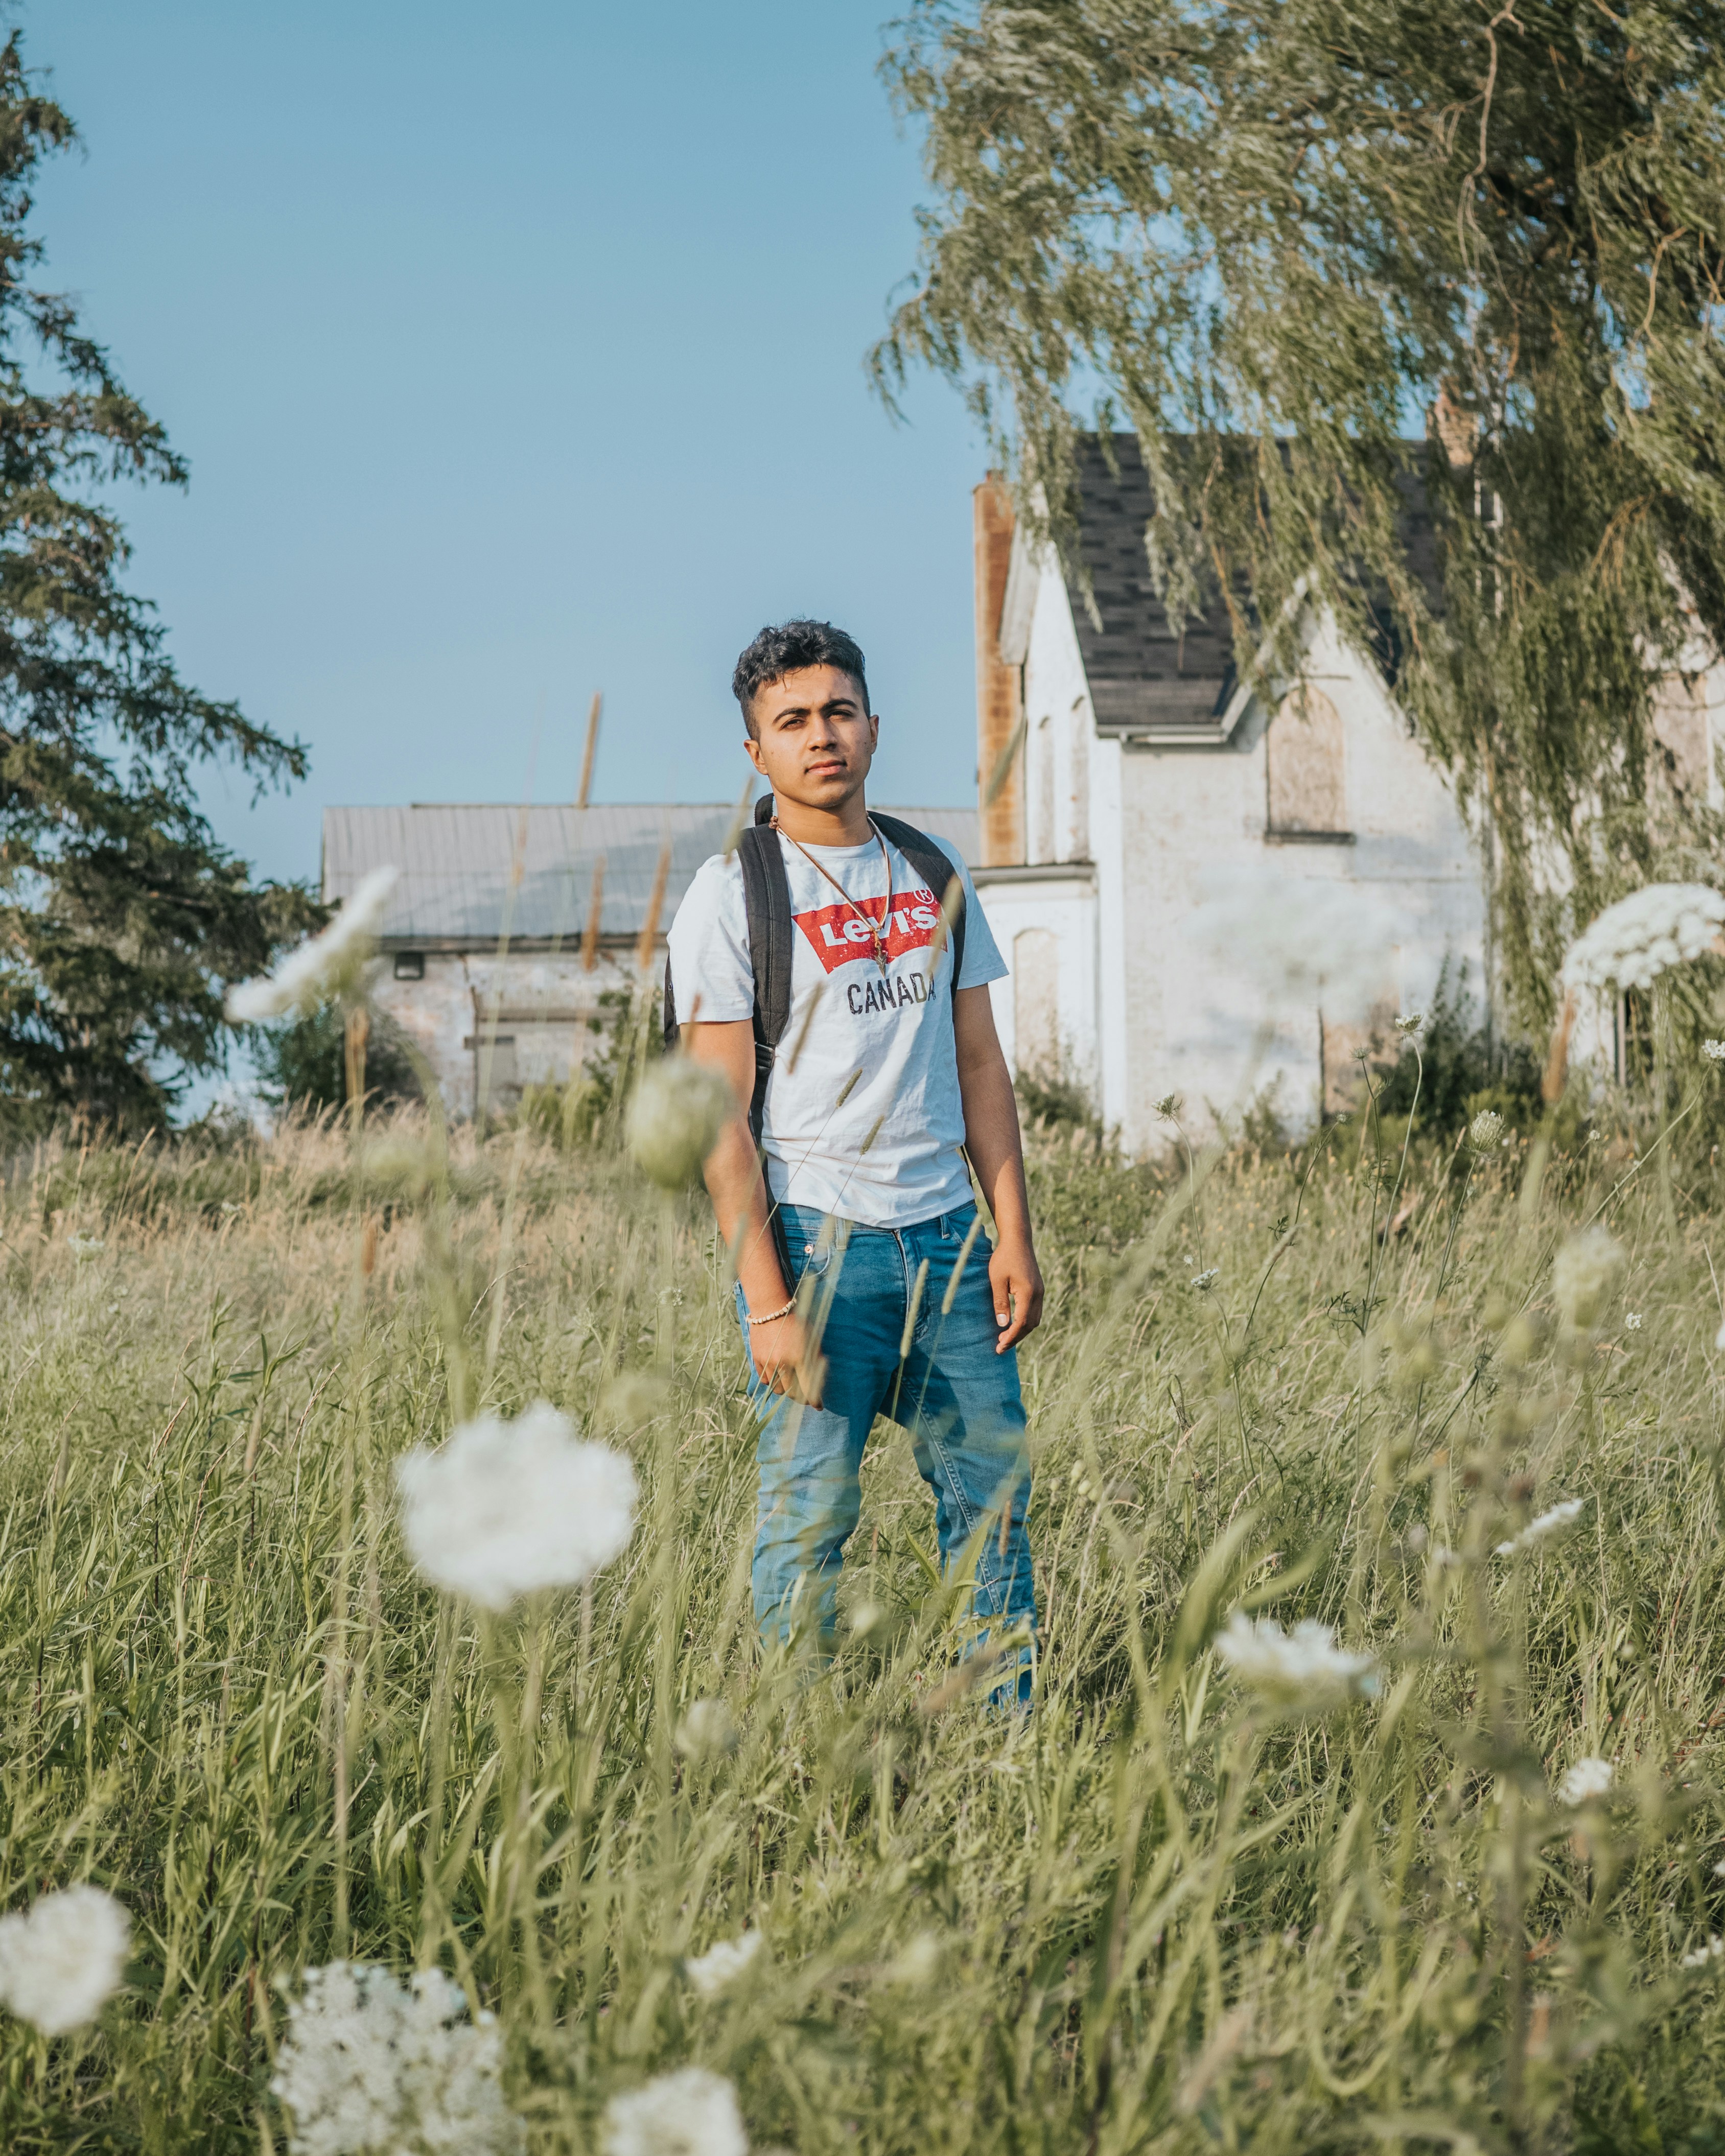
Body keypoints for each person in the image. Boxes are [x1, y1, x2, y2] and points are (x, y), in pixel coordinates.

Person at [666, 618, 1042, 1684]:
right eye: (791, 720)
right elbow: (718, 1118)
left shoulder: (931, 866)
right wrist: (769, 1303)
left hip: (953, 1245)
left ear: (873, 727)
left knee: (994, 1516)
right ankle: (803, 1757)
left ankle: (1006, 1759)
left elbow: (979, 1066)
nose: (819, 735)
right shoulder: (731, 894)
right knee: (808, 1524)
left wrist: (1010, 1232)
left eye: (837, 711)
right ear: (756, 752)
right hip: (817, 1247)